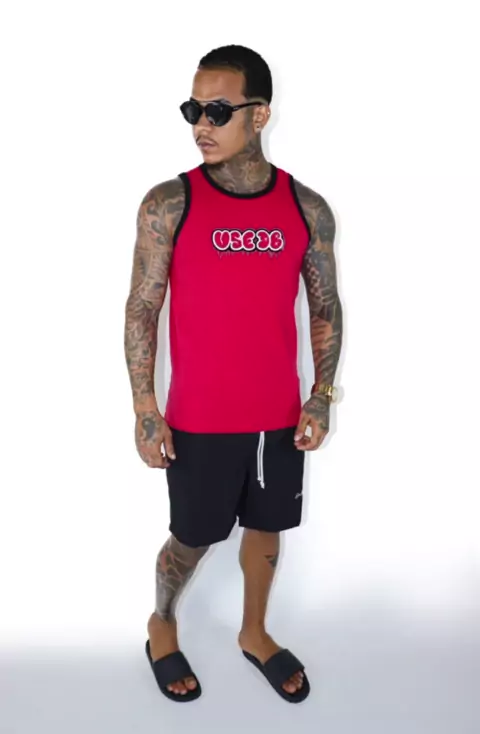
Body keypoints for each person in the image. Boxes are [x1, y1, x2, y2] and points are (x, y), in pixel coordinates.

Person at [124, 44, 343, 704]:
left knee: (266, 528)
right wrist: (145, 409)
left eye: (218, 110)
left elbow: (326, 306)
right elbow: (142, 308)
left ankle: (254, 630)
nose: (202, 124)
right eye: (193, 109)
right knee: (191, 538)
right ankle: (162, 620)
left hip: (278, 414)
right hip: (199, 417)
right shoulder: (170, 203)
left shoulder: (306, 208)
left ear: (260, 114)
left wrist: (321, 396)